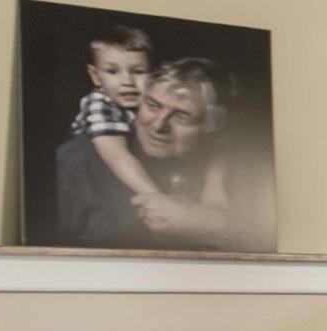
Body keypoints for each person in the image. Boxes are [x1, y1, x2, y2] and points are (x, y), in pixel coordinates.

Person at [50, 57, 245, 246]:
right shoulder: (77, 160)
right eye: (152, 106)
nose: (159, 126)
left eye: (181, 116)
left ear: (215, 125)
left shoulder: (238, 167)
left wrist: (210, 225)